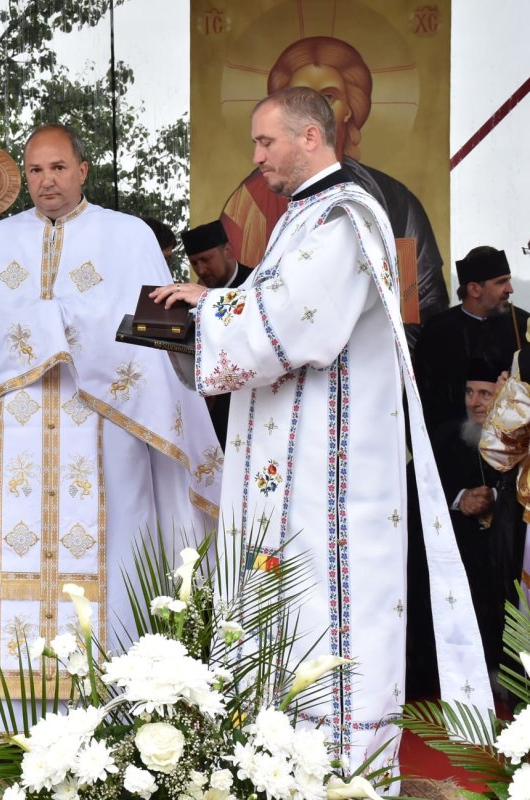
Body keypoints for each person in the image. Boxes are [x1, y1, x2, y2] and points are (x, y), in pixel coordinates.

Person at [152, 87, 489, 773]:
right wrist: (217, 301)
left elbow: (292, 324)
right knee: (288, 606)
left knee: (330, 611)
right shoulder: (305, 216)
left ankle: (339, 773)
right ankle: (279, 762)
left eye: (264, 142)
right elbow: (274, 304)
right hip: (297, 474)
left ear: (310, 137)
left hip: (331, 478)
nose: (255, 158)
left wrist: (212, 311)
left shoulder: (342, 216)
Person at [0, 123, 221, 703]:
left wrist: (60, 324)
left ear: (82, 170)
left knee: (120, 550)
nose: (46, 181)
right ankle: (2, 716)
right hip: (15, 435)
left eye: (57, 168)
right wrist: (47, 329)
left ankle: (120, 706)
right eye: (35, 170)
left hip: (106, 426)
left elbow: (153, 335)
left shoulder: (127, 238)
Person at [220, 36, 447, 343]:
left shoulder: (353, 210)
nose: (257, 157)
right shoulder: (281, 207)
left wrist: (209, 306)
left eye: (326, 98)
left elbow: (299, 316)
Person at [407, 360, 522, 703]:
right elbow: (418, 489)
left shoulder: (518, 439)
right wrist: (459, 499)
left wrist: (496, 498)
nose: (475, 402)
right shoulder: (444, 436)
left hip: (505, 555)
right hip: (458, 554)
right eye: (470, 392)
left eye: (486, 393)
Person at [415, 247, 527, 432]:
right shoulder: (437, 332)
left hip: (511, 446)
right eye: (501, 282)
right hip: (450, 446)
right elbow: (420, 396)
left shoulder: (523, 326)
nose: (510, 289)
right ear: (474, 289)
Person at [181, 219, 254, 444]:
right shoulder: (194, 294)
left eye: (206, 259)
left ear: (228, 251)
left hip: (249, 399)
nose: (201, 270)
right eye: (194, 263)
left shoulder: (255, 287)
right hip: (210, 408)